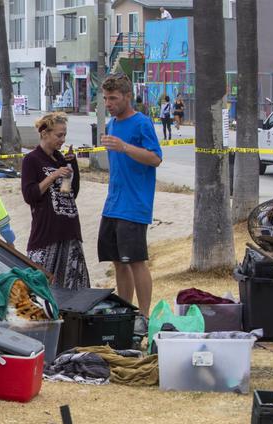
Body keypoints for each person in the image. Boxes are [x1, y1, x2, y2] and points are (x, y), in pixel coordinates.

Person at [98, 73, 163, 336]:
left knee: (136, 260)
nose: (108, 103)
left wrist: (124, 147)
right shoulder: (112, 124)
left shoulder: (141, 123)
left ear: (127, 96)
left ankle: (144, 316)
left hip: (134, 205)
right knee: (117, 261)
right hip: (112, 203)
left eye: (113, 98)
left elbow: (155, 158)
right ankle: (126, 310)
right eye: (105, 99)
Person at [21, 112, 89, 289]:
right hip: (46, 235)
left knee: (73, 289)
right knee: (39, 288)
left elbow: (72, 193)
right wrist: (53, 175)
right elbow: (30, 195)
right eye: (59, 135)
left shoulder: (60, 158)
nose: (63, 139)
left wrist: (72, 166)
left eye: (64, 134)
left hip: (69, 232)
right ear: (45, 134)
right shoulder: (32, 160)